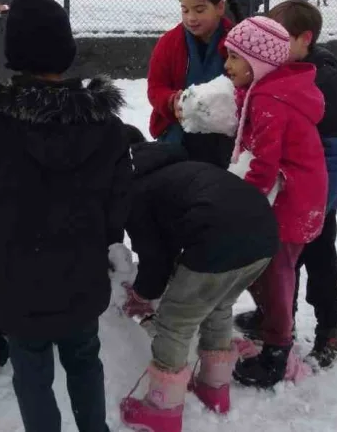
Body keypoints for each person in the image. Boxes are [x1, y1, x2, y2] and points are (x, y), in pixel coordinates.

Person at [0, 0, 132, 432]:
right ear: (66, 53)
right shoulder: (104, 126)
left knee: (31, 371)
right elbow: (118, 199)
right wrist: (107, 239)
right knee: (84, 358)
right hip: (81, 273)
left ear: (12, 56)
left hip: (14, 278)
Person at [119, 137, 278, 430]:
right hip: (265, 233)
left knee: (175, 321)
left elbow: (155, 258)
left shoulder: (136, 191)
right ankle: (214, 389)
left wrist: (142, 295)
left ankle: (162, 408)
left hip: (219, 238)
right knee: (218, 305)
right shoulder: (178, 168)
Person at [237, 0, 337, 369]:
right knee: (280, 262)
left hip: (316, 187)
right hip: (288, 185)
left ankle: (329, 330)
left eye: (280, 37)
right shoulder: (276, 75)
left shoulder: (325, 79)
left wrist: (326, 199)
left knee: (317, 258)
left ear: (305, 39)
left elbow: (336, 144)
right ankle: (276, 320)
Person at [221, 16, 327, 389]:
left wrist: (240, 204)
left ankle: (277, 350)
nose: (227, 65)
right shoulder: (264, 90)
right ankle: (273, 320)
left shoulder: (269, 98)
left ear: (260, 63)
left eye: (235, 57)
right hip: (290, 192)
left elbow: (265, 164)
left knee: (276, 271)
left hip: (291, 198)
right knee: (267, 268)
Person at [147, 0, 236, 167]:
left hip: (225, 139)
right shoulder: (169, 43)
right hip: (178, 133)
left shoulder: (237, 42)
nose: (191, 18)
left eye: (199, 10)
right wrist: (172, 101)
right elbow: (156, 88)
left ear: (220, 7)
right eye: (185, 10)